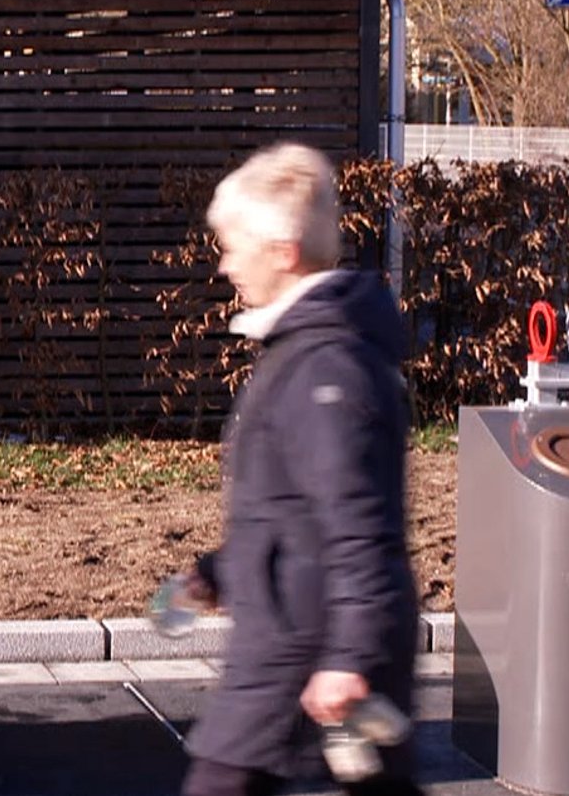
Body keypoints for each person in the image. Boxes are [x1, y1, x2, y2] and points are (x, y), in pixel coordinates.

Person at [179, 142, 422, 796]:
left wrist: (351, 658)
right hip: (297, 639)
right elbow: (290, 511)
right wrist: (218, 572)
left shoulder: (327, 369)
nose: (225, 263)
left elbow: (360, 528)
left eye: (233, 246)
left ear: (282, 250)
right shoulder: (303, 352)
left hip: (306, 649)